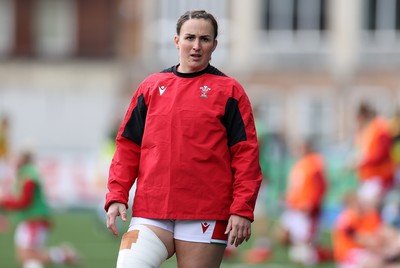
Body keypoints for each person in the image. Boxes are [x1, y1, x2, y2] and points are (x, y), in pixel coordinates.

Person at [104, 10, 263, 268]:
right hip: (151, 210)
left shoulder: (230, 91)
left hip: (206, 212)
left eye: (205, 39)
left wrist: (241, 209)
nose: (197, 46)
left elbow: (246, 156)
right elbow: (127, 147)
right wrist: (117, 195)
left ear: (215, 45)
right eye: (190, 37)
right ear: (177, 41)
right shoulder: (151, 87)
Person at [0, 150, 78, 268]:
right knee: (25, 256)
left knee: (28, 255)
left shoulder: (29, 176)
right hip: (29, 219)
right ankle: (63, 254)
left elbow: (24, 202)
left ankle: (64, 255)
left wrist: (4, 202)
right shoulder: (23, 175)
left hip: (35, 220)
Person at [275, 139, 329, 265]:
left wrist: (312, 204)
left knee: (305, 254)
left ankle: (323, 253)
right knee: (282, 235)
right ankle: (301, 248)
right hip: (295, 208)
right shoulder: (299, 165)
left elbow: (321, 186)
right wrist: (287, 198)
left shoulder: (314, 165)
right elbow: (297, 188)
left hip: (306, 211)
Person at [333, 191, 400, 268]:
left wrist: (395, 241)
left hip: (370, 251)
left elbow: (384, 231)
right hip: (350, 255)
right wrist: (386, 250)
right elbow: (362, 240)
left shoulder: (370, 215)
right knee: (375, 263)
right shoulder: (347, 219)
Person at [351, 102, 394, 207]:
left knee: (369, 210)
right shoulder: (368, 130)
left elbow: (380, 153)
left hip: (379, 177)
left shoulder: (379, 128)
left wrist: (361, 161)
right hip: (370, 177)